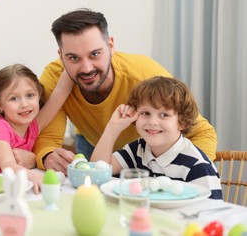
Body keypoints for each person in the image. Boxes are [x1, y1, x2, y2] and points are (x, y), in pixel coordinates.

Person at [32, 8, 217, 174]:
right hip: (93, 144)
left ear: (111, 46)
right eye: (73, 58)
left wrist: (189, 176)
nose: (87, 68)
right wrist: (47, 155)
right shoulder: (55, 77)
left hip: (144, 154)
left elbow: (202, 133)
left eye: (95, 54)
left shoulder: (144, 76)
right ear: (60, 56)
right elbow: (47, 136)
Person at [90, 76, 222, 199]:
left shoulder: (197, 166)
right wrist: (113, 128)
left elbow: (213, 213)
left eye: (164, 115)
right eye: (145, 113)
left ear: (182, 122)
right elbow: (97, 172)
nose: (152, 122)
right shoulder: (138, 149)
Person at [0, 64, 73, 194]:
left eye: (30, 95)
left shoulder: (33, 126)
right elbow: (8, 166)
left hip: (7, 187)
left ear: (39, 95)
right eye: (14, 98)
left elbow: (60, 92)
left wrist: (72, 61)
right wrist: (34, 176)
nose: (24, 104)